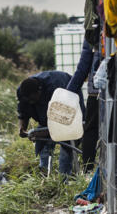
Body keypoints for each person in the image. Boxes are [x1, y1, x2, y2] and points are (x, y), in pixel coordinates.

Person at [17, 70, 80, 177]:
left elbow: (60, 123)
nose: (31, 102)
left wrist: (40, 133)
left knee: (67, 141)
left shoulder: (56, 89)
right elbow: (23, 111)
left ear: (39, 91)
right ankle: (44, 175)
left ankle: (64, 178)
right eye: (28, 100)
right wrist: (22, 127)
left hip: (67, 102)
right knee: (43, 145)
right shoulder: (23, 92)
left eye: (32, 99)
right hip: (47, 112)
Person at [67, 37, 101, 171]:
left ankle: (88, 170)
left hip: (97, 91)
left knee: (91, 130)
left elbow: (83, 67)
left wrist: (69, 93)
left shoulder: (93, 35)